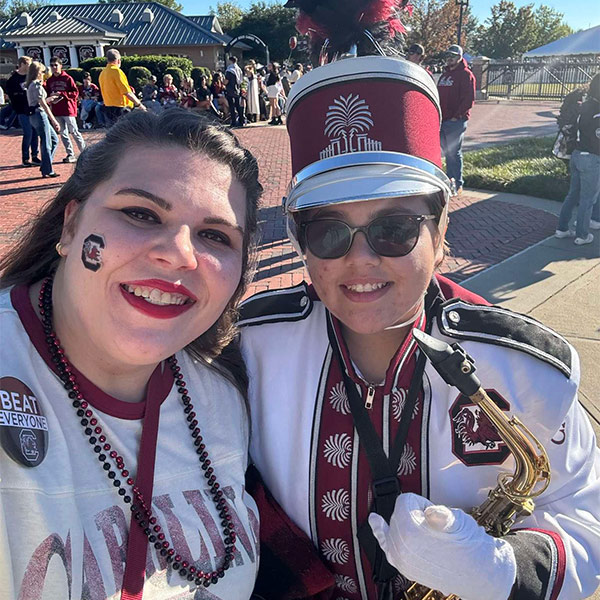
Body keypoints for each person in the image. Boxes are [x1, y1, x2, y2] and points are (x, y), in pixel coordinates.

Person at [238, 18, 600, 600]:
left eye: (395, 228)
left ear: (442, 228)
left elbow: (587, 514)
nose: (359, 260)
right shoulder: (249, 350)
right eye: (327, 232)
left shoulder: (527, 366)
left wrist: (508, 571)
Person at [0, 108, 262, 598]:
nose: (180, 254)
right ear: (71, 223)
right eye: (141, 214)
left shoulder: (224, 395)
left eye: (215, 236)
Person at [555, 72, 600, 246]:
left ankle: (562, 228)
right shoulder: (597, 112)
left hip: (576, 155)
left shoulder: (584, 106)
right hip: (592, 158)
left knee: (573, 195)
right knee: (588, 199)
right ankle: (582, 234)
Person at [437, 44, 475, 194]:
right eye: (448, 56)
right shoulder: (445, 75)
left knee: (454, 152)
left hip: (455, 122)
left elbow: (469, 99)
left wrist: (456, 116)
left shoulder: (466, 75)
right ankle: (449, 180)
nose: (449, 58)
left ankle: (457, 184)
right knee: (446, 152)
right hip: (442, 120)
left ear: (460, 57)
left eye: (453, 56)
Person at [45, 57, 86, 164]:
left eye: (56, 65)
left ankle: (84, 152)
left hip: (68, 110)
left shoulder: (67, 78)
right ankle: (70, 153)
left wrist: (62, 94)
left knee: (74, 131)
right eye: (52, 65)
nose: (54, 67)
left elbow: (75, 93)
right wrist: (51, 98)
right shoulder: (49, 81)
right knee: (63, 133)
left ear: (60, 65)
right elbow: (46, 94)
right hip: (57, 110)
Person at [25, 61, 60, 178]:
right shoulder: (36, 85)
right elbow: (42, 105)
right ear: (38, 72)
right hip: (39, 114)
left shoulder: (30, 85)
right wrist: (54, 120)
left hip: (33, 114)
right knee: (47, 142)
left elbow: (40, 101)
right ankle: (48, 169)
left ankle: (46, 165)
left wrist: (50, 99)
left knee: (53, 140)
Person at [5, 56, 40, 167]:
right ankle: (25, 158)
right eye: (28, 64)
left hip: (32, 108)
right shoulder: (13, 79)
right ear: (23, 64)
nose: (30, 67)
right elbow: (11, 94)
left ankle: (35, 155)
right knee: (28, 133)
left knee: (35, 133)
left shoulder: (29, 77)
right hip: (22, 110)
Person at [99, 48, 146, 127]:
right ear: (118, 60)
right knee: (126, 133)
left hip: (108, 107)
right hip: (120, 109)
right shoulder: (117, 71)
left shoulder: (103, 73)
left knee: (114, 132)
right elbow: (127, 92)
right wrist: (139, 104)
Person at [225, 56, 245, 128]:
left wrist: (223, 82)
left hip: (230, 89)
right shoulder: (239, 69)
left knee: (231, 106)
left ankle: (233, 121)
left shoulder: (229, 70)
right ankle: (241, 120)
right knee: (238, 105)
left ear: (230, 61)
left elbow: (226, 81)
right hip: (237, 89)